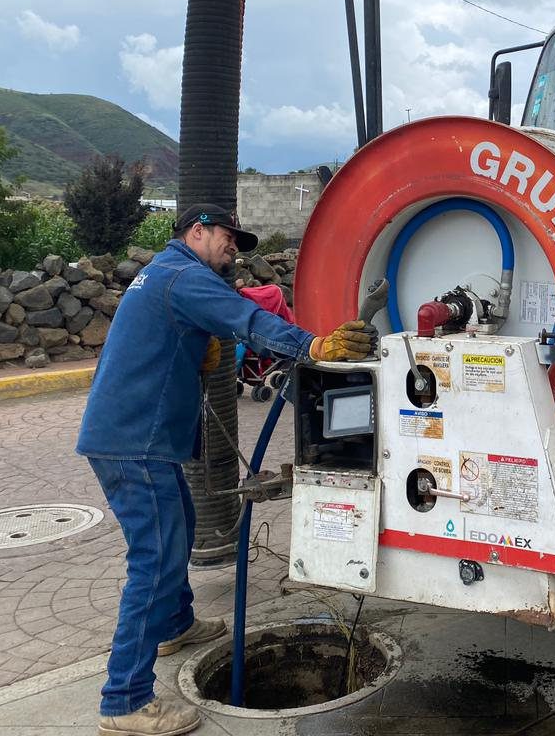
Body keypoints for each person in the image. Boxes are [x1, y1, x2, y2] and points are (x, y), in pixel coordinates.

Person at [77, 204, 374, 736]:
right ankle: (124, 700)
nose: (234, 246)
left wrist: (195, 351)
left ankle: (174, 625)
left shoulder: (164, 274)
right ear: (196, 232)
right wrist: (314, 346)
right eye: (227, 236)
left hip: (132, 438)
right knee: (157, 560)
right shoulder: (186, 277)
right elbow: (250, 321)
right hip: (136, 445)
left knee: (180, 530)